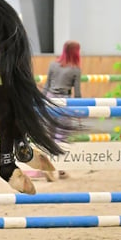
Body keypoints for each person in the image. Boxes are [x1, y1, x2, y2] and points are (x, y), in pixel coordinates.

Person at [43, 40, 82, 180]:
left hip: (49, 99)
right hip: (64, 101)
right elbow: (77, 93)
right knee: (61, 135)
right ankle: (59, 168)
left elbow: (47, 85)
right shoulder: (75, 69)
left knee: (49, 134)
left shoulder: (53, 64)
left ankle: (47, 165)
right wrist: (79, 110)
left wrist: (42, 102)